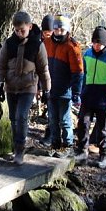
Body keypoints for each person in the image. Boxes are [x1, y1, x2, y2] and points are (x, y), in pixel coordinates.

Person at [0, 11, 51, 164]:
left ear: (30, 27)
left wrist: (46, 89)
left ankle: (20, 149)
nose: (19, 33)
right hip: (11, 87)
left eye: (23, 30)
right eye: (16, 30)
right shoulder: (9, 43)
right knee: (13, 119)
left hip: (28, 87)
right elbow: (0, 66)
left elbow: (43, 69)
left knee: (21, 116)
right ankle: (16, 147)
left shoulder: (37, 45)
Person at [72, 26, 106, 169]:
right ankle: (82, 151)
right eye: (94, 43)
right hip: (88, 96)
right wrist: (79, 92)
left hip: (105, 98)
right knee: (83, 123)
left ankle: (104, 154)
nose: (96, 46)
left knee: (103, 127)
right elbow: (83, 74)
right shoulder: (88, 54)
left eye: (99, 44)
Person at [39, 14, 83, 155]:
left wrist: (76, 92)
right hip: (51, 89)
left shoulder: (72, 47)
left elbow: (78, 72)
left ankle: (68, 146)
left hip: (65, 90)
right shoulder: (47, 43)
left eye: (61, 30)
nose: (58, 33)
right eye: (56, 30)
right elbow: (42, 66)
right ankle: (55, 144)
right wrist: (42, 87)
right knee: (52, 119)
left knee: (64, 120)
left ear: (67, 31)